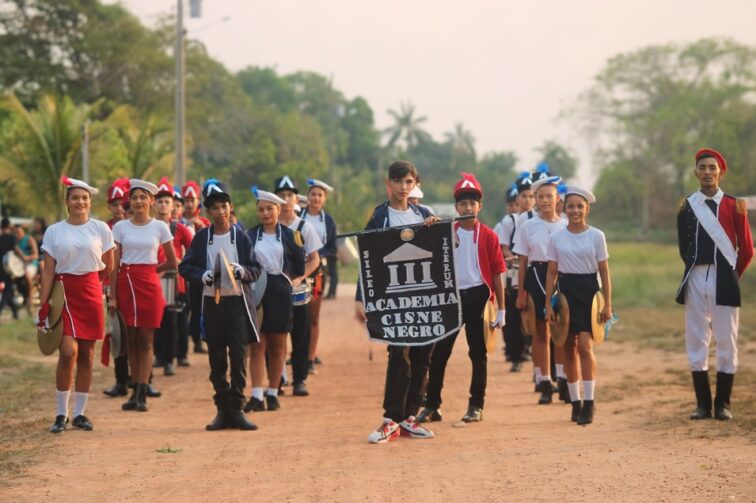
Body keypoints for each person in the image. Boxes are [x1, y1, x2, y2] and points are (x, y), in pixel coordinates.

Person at [354, 160, 438, 444]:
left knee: (423, 356)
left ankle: (409, 416)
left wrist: (434, 230)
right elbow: (366, 259)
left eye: (409, 182)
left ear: (415, 185)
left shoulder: (425, 213)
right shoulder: (380, 218)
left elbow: (445, 249)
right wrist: (360, 297)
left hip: (424, 299)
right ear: (388, 184)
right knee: (399, 354)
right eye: (399, 182)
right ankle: (391, 417)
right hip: (393, 300)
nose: (404, 187)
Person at [417, 173, 506, 424]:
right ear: (456, 207)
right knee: (440, 353)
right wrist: (430, 226)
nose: (468, 207)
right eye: (463, 203)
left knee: (477, 353)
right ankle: (432, 404)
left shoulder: (489, 236)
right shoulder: (446, 232)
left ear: (480, 206)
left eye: (472, 203)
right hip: (452, 298)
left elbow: (498, 273)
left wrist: (501, 309)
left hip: (479, 296)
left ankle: (476, 405)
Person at [676, 149, 753, 421]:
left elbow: (747, 249)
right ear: (696, 172)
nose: (707, 172)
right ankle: (702, 405)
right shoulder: (687, 205)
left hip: (725, 277)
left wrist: (732, 276)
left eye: (712, 167)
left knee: (726, 339)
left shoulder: (735, 205)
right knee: (696, 338)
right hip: (695, 276)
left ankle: (722, 404)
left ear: (720, 172)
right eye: (702, 167)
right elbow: (684, 249)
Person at [179, 179, 260, 431]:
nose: (220, 211)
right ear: (208, 212)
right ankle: (222, 408)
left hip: (237, 304)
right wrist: (201, 275)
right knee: (216, 359)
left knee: (238, 357)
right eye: (215, 207)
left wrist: (242, 271)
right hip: (211, 304)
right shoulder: (203, 238)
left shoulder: (241, 237)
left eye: (224, 205)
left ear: (231, 207)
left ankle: (237, 407)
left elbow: (256, 269)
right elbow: (185, 266)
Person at [38, 176, 115, 432]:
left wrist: (94, 284)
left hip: (91, 292)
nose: (80, 202)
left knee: (87, 354)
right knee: (68, 351)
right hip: (64, 295)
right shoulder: (54, 231)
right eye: (75, 198)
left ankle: (80, 413)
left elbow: (109, 265)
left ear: (90, 202)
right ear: (67, 202)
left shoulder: (101, 229)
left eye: (84, 198)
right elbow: (48, 271)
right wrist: (44, 304)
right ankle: (61, 414)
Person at [545, 187, 612, 425]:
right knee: (568, 348)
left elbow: (604, 271)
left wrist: (608, 304)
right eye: (571, 206)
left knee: (585, 345)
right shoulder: (556, 237)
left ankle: (590, 402)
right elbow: (551, 272)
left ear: (587, 209)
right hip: (566, 294)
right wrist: (548, 305)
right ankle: (575, 403)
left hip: (589, 293)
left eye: (579, 206)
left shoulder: (597, 236)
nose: (575, 210)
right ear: (564, 207)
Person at [110, 179, 177, 412]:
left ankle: (142, 392)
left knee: (146, 341)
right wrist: (112, 295)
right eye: (134, 197)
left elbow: (171, 261)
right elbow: (113, 264)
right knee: (131, 340)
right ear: (130, 201)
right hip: (125, 283)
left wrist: (151, 271)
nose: (138, 201)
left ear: (151, 200)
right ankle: (133, 391)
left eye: (143, 197)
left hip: (148, 284)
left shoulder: (160, 227)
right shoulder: (119, 228)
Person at [244, 187, 305, 412]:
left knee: (278, 345)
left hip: (280, 289)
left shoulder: (291, 235)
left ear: (279, 209)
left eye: (270, 208)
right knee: (257, 344)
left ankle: (273, 392)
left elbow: (299, 265)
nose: (265, 213)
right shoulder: (249, 235)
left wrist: (288, 280)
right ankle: (257, 394)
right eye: (261, 209)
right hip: (256, 289)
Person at [513, 175, 567, 405]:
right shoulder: (527, 226)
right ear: (534, 199)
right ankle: (545, 381)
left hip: (562, 278)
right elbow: (522, 261)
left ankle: (564, 378)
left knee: (562, 332)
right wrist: (520, 292)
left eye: (549, 196)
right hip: (535, 276)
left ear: (557, 199)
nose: (545, 200)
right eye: (541, 196)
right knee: (540, 332)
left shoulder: (566, 224)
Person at [274, 176, 322, 395]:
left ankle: (299, 379)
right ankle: (278, 379)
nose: (285, 200)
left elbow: (314, 259)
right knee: (275, 335)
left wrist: (301, 277)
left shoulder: (305, 227)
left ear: (296, 199)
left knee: (300, 335)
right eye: (281, 196)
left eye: (289, 195)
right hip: (275, 289)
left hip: (298, 287)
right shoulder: (269, 227)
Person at [153, 177, 194, 376]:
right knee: (154, 321)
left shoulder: (178, 228)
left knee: (171, 321)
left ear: (172, 205)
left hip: (172, 279)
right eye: (159, 201)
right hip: (151, 279)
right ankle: (158, 356)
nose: (163, 205)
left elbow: (195, 248)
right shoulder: (148, 226)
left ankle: (169, 359)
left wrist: (181, 263)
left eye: (166, 201)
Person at [497, 176, 531, 372]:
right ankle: (514, 354)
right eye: (523, 196)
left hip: (532, 271)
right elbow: (504, 249)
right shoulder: (509, 221)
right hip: (513, 273)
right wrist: (520, 259)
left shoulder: (536, 219)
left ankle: (527, 349)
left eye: (530, 196)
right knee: (513, 314)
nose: (527, 200)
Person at [303, 178, 337, 369]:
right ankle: (298, 353)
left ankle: (310, 357)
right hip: (298, 271)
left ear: (324, 199)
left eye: (319, 195)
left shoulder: (328, 221)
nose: (315, 198)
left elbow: (332, 248)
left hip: (318, 273)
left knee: (313, 316)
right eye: (313, 194)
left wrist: (316, 254)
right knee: (298, 317)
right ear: (307, 197)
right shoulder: (299, 216)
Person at [103, 178, 132, 398]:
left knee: (137, 333)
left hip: (134, 285)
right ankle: (121, 380)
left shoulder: (136, 226)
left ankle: (142, 379)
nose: (119, 208)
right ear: (109, 207)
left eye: (123, 204)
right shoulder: (104, 229)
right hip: (111, 287)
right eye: (115, 205)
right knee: (117, 333)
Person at [181, 180, 209, 356]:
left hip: (199, 271)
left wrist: (202, 228)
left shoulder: (204, 222)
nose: (190, 204)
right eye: (187, 200)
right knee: (183, 309)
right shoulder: (177, 222)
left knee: (199, 306)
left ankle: (199, 339)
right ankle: (181, 345)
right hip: (181, 270)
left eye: (193, 200)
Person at [14, 224, 39, 314]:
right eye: (16, 232)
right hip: (19, 266)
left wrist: (26, 258)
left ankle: (30, 300)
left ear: (23, 231)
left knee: (27, 275)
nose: (17, 234)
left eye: (19, 232)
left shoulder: (29, 239)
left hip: (31, 264)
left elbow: (35, 255)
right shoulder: (15, 242)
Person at [0, 217, 21, 321]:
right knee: (7, 290)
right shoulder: (12, 237)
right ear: (8, 226)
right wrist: (24, 258)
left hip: (0, 267)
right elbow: (16, 250)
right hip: (8, 267)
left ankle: (15, 312)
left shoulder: (0, 238)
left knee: (8, 291)